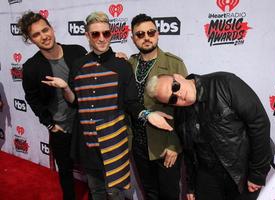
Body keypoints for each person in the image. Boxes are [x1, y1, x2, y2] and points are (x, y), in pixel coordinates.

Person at [41, 11, 174, 200]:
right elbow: (75, 103)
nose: (101, 38)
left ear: (111, 34)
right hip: (88, 144)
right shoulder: (78, 66)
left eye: (106, 33)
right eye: (95, 34)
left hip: (115, 143)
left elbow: (131, 102)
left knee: (116, 193)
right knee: (96, 191)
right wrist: (65, 88)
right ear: (87, 35)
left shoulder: (122, 65)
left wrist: (147, 115)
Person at [146, 72, 273, 200]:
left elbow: (259, 123)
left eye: (175, 87)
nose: (178, 95)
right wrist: (191, 185)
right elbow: (190, 152)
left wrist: (257, 173)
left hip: (240, 171)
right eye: (172, 99)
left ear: (178, 77)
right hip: (207, 174)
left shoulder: (224, 83)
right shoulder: (180, 113)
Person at [18, 11, 87, 200]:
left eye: (45, 30)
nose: (43, 36)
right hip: (60, 129)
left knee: (94, 168)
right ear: (31, 40)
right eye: (36, 35)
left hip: (85, 123)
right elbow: (32, 99)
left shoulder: (77, 52)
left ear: (52, 28)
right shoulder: (31, 67)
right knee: (65, 171)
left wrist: (116, 56)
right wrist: (50, 124)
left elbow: (95, 75)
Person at [128, 13, 188, 200]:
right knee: (150, 193)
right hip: (137, 144)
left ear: (158, 34)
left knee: (169, 195)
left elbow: (185, 110)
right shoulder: (129, 64)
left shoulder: (173, 63)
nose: (146, 37)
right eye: (140, 34)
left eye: (150, 32)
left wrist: (174, 145)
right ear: (133, 38)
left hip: (164, 144)